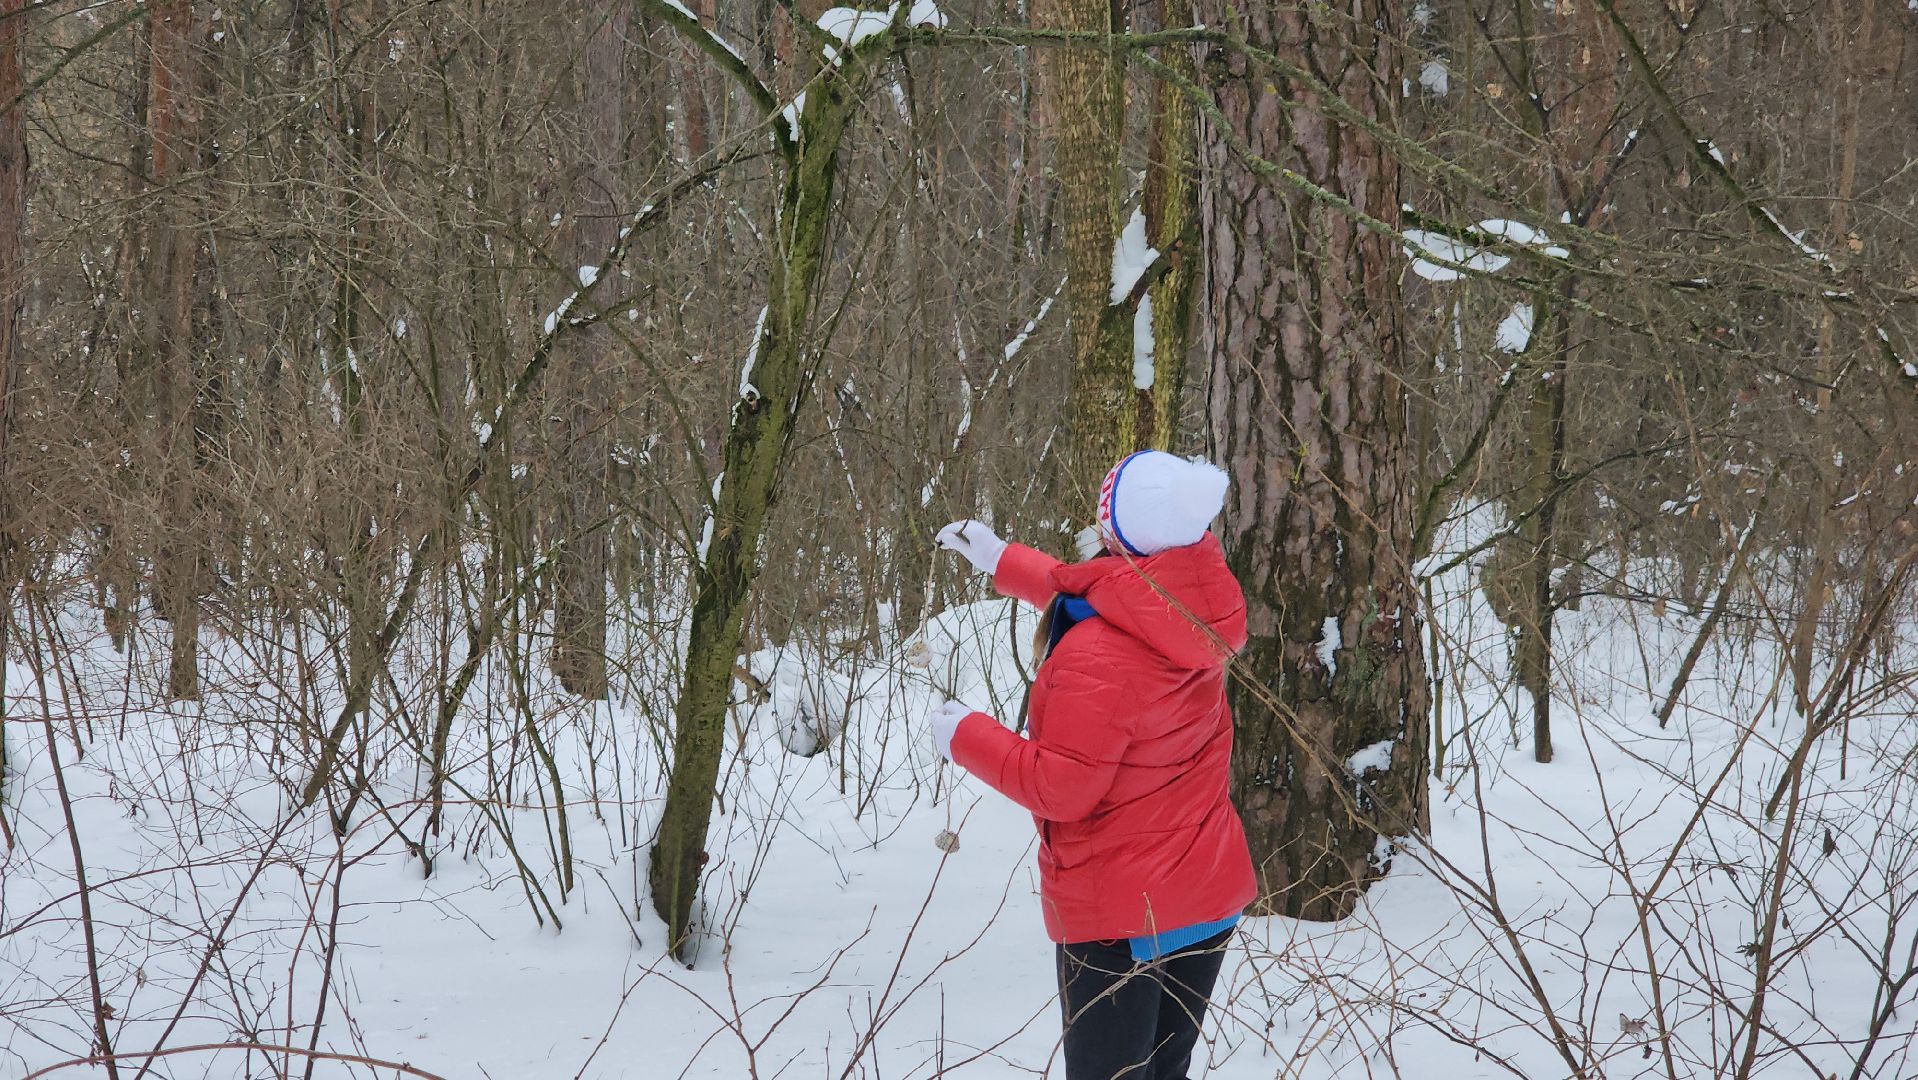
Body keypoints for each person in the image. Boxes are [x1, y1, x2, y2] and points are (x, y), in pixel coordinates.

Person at [930, 450, 1257, 1080]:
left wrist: (965, 736)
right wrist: (1001, 559)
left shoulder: (1097, 655)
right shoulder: (1198, 601)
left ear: (1116, 534)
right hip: (1206, 893)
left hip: (1123, 917)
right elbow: (1103, 590)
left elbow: (1061, 787)